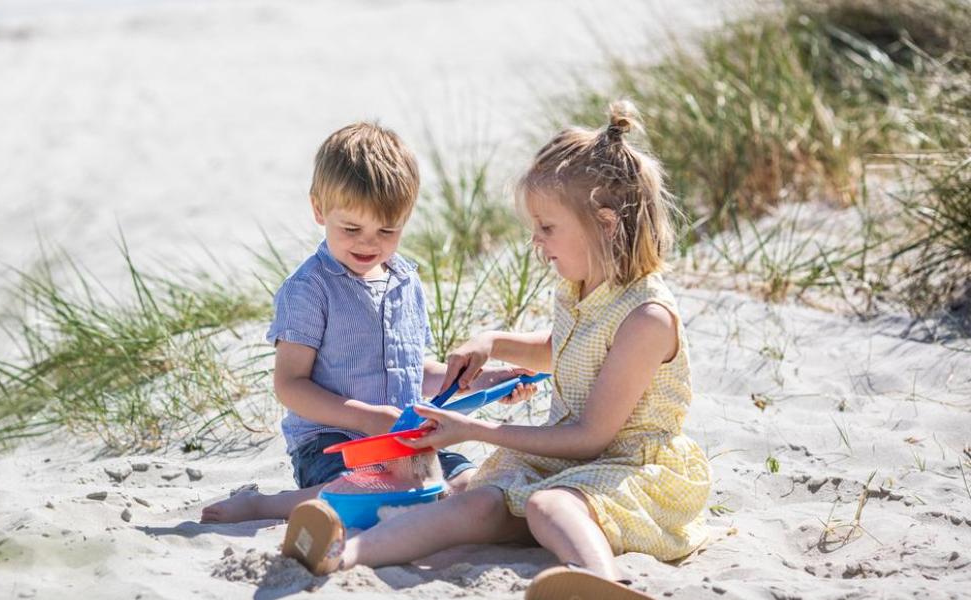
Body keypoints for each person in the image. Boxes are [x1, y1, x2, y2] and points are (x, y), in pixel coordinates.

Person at [280, 102, 710, 600]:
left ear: (606, 223)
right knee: (474, 504)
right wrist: (493, 345)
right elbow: (564, 351)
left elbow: (591, 436)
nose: (536, 242)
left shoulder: (647, 319)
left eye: (547, 228)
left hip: (628, 470)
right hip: (571, 466)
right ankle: (343, 555)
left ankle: (601, 585)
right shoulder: (581, 288)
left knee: (551, 506)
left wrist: (473, 430)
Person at [201, 122, 535, 524]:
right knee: (378, 493)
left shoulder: (405, 281)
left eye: (387, 230)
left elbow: (413, 373)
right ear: (319, 210)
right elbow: (290, 385)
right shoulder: (310, 288)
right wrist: (366, 417)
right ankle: (263, 506)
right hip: (336, 442)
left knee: (472, 486)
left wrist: (486, 380)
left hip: (404, 436)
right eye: (351, 229)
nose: (368, 243)